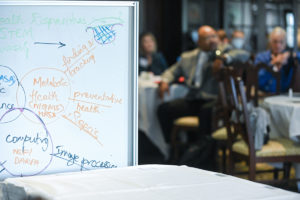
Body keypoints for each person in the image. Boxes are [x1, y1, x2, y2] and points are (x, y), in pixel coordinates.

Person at [157, 25, 250, 144]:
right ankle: (173, 146)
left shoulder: (222, 51)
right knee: (164, 109)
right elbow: (171, 71)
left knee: (205, 112)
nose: (212, 40)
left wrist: (223, 58)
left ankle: (202, 152)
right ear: (199, 41)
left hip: (215, 100)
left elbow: (244, 54)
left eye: (214, 36)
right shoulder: (188, 57)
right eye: (207, 38)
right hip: (194, 98)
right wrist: (165, 80)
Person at [254, 27, 300, 93]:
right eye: (275, 41)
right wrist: (273, 64)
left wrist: (290, 54)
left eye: (281, 42)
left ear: (285, 43)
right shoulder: (261, 57)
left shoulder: (289, 58)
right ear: (270, 42)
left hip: (285, 96)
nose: (278, 45)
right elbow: (258, 81)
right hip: (264, 95)